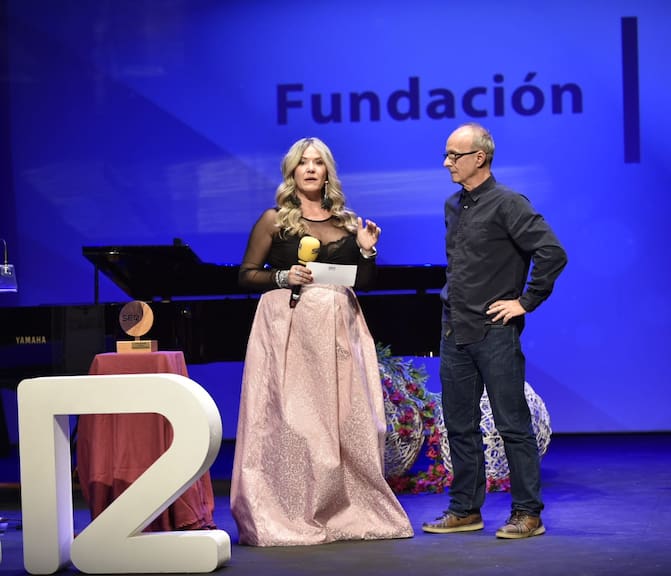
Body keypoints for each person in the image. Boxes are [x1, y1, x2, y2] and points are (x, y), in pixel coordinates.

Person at [230, 137, 414, 546]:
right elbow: (246, 275)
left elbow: (362, 282)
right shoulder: (274, 220)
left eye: (318, 162)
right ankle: (291, 508)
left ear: (328, 171)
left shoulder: (347, 222)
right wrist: (283, 276)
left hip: (338, 329)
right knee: (296, 422)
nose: (310, 169)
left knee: (345, 420)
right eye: (303, 163)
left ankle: (343, 509)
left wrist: (366, 252)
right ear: (292, 171)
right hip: (290, 329)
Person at [422, 123, 567, 539]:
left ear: (479, 158)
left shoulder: (508, 203)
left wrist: (525, 301)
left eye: (454, 155)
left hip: (494, 332)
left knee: (512, 424)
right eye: (447, 154)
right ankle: (466, 509)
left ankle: (528, 513)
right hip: (455, 330)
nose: (446, 162)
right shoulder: (453, 205)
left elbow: (552, 252)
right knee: (459, 425)